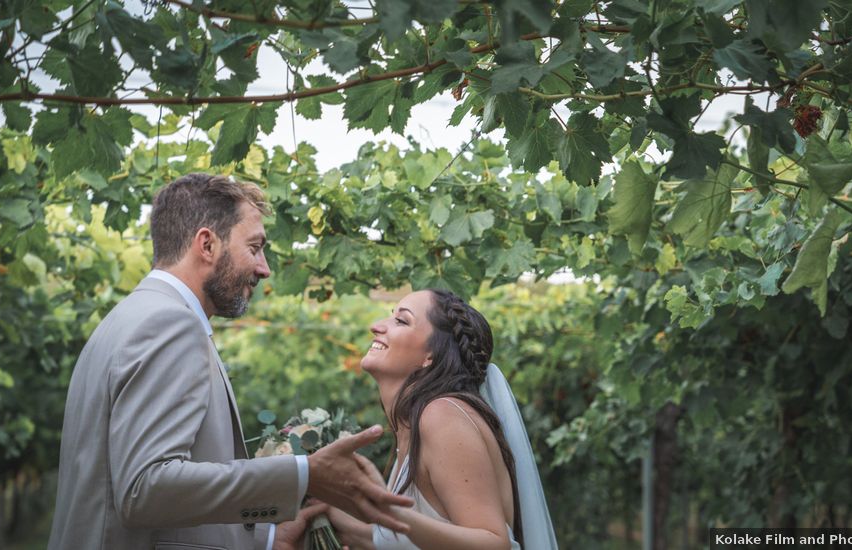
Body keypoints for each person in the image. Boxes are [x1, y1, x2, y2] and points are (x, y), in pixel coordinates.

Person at [47, 173, 412, 550]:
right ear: (207, 244)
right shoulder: (169, 323)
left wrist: (266, 539)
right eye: (254, 247)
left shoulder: (129, 317)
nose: (264, 268)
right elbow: (144, 489)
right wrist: (305, 475)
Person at [326, 289, 558, 549]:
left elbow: (493, 543)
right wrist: (320, 501)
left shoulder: (441, 415)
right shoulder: (411, 427)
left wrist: (385, 511)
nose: (376, 326)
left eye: (401, 321)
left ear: (430, 356)